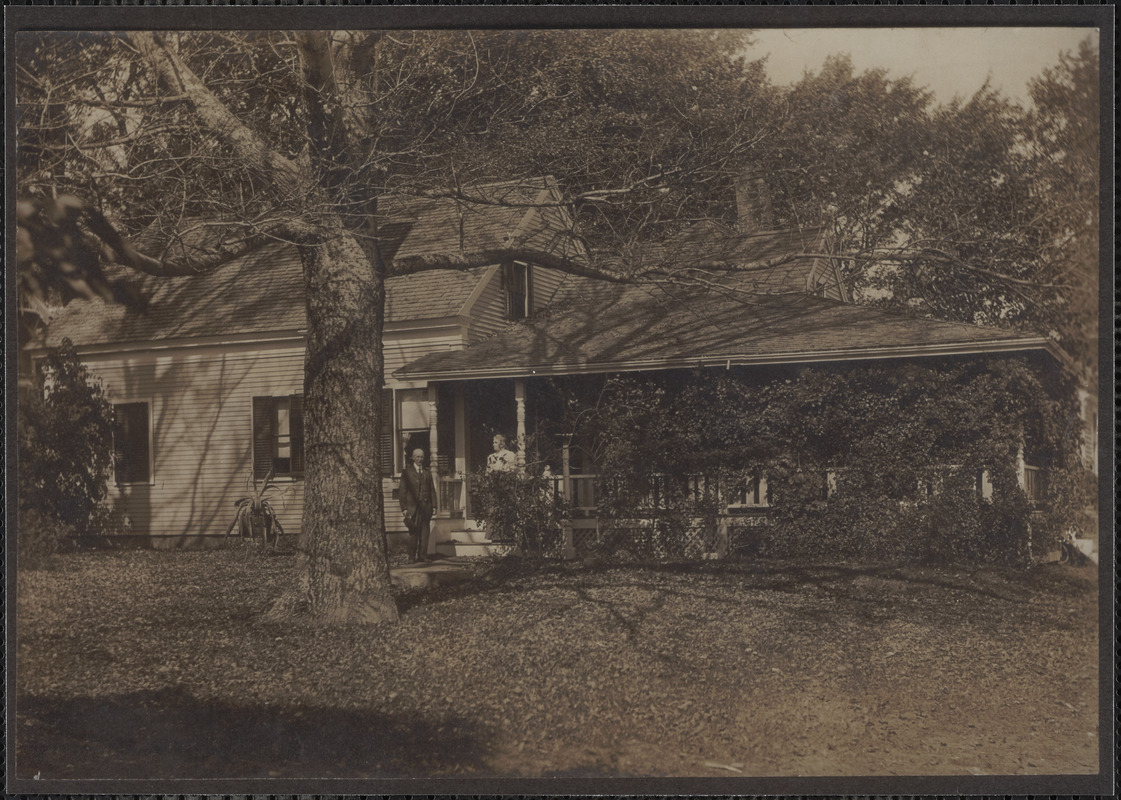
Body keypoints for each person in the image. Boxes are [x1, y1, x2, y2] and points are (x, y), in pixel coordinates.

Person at [399, 448, 436, 562]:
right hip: (412, 507)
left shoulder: (427, 472)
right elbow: (402, 492)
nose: (420, 459)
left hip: (426, 506)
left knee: (425, 533)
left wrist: (434, 506)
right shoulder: (407, 472)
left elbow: (432, 490)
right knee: (413, 532)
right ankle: (411, 557)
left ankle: (423, 556)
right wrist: (404, 508)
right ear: (413, 458)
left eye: (422, 457)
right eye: (418, 457)